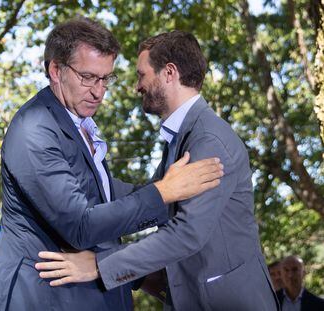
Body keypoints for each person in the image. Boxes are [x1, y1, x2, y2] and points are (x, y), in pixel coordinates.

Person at [0, 18, 223, 311]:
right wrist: (163, 193)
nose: (99, 91)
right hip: (48, 299)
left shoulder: (78, 121)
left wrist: (174, 192)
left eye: (105, 78)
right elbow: (81, 225)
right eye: (88, 77)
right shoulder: (34, 129)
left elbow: (103, 193)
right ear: (55, 70)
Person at [36, 30, 280, 311]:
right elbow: (156, 199)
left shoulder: (208, 140)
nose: (137, 86)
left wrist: (98, 266)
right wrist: (88, 176)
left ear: (169, 73)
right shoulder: (184, 135)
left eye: (142, 75)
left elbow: (186, 233)